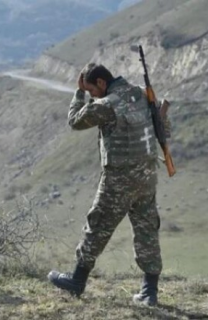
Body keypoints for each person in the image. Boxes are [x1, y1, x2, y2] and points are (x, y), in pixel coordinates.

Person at [48, 63, 162, 307]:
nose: (92, 96)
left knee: (97, 226)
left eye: (91, 91)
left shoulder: (107, 104)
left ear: (101, 83)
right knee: (147, 230)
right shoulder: (141, 93)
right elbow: (160, 123)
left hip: (119, 179)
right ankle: (149, 291)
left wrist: (78, 93)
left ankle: (77, 281)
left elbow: (75, 121)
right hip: (147, 175)